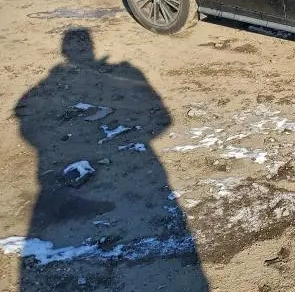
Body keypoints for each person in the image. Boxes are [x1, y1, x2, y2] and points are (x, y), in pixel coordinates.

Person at [13, 28, 208, 291]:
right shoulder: (65, 79)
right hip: (143, 167)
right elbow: (162, 118)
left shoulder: (62, 80)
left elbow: (23, 115)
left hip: (135, 169)